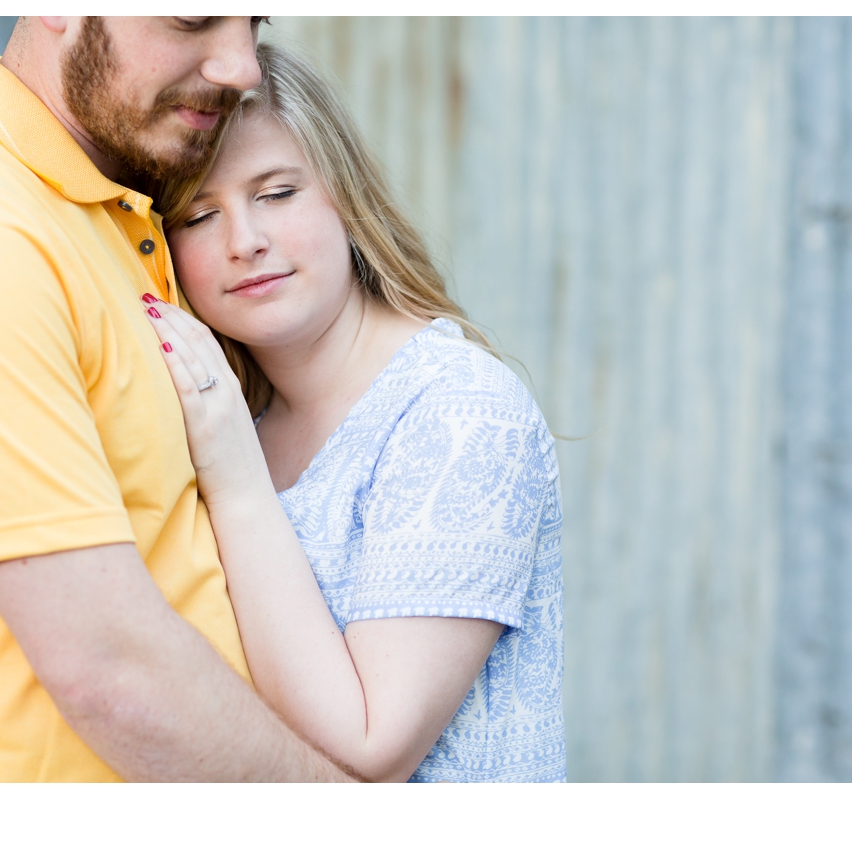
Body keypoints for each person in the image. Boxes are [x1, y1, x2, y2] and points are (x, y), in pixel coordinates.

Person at [0, 17, 356, 782]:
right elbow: (113, 673)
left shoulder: (126, 208)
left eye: (255, 19)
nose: (240, 65)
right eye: (194, 17)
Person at [143, 41, 566, 782]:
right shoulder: (222, 419)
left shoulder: (458, 412)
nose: (247, 241)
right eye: (198, 214)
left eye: (276, 193)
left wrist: (237, 482)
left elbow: (370, 749)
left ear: (344, 195)